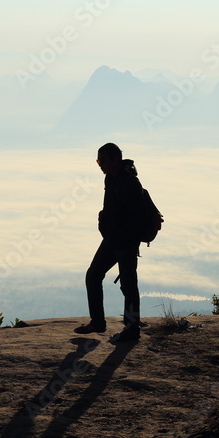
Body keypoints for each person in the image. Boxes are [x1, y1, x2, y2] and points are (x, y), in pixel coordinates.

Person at [74, 143, 143, 343]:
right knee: (93, 275)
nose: (100, 165)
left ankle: (132, 329)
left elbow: (135, 216)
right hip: (112, 239)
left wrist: (126, 238)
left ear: (115, 160)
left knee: (128, 284)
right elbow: (109, 208)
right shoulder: (110, 179)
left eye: (102, 161)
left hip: (126, 241)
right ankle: (98, 322)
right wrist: (104, 225)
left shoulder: (130, 182)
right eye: (98, 161)